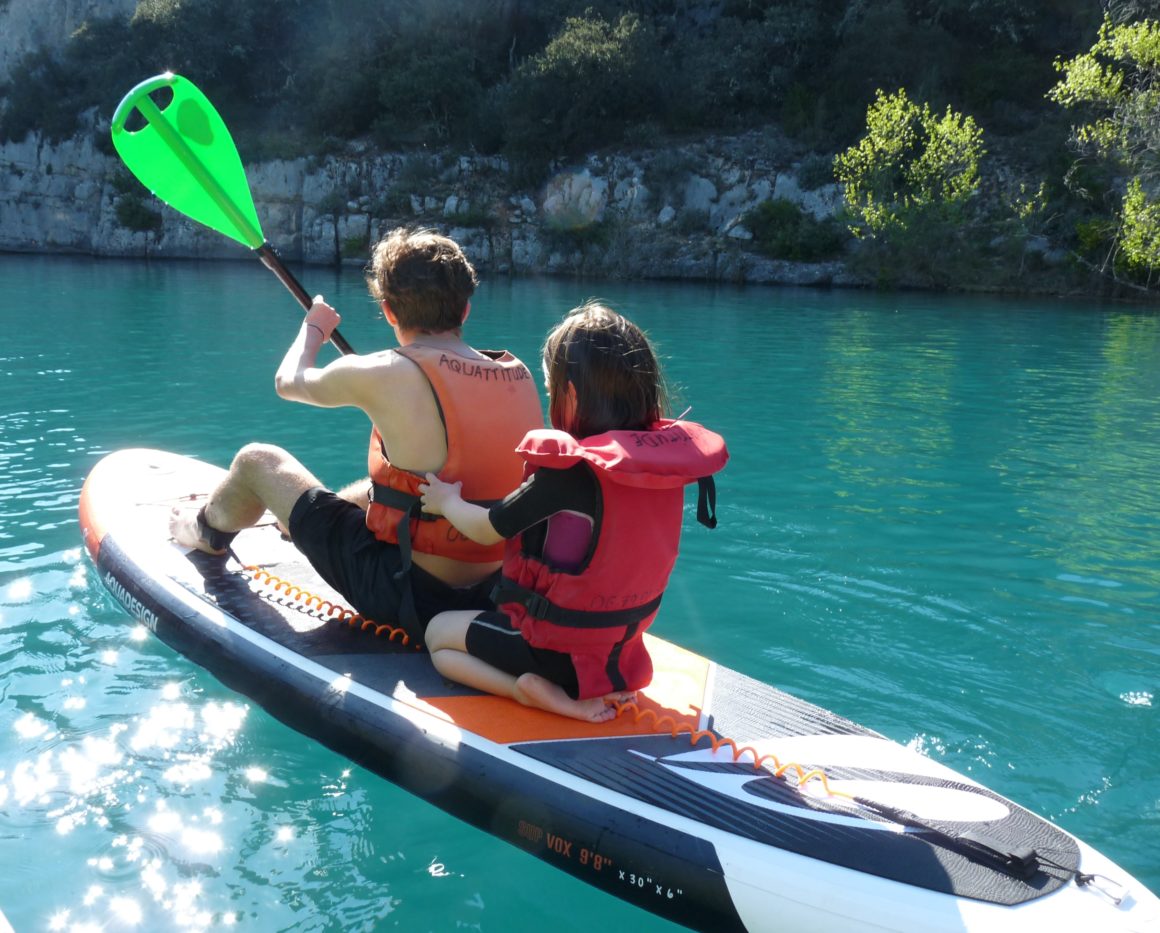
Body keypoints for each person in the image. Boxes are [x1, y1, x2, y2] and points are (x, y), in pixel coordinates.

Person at [169, 228, 544, 640]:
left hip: (408, 594)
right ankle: (299, 526)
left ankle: (202, 531)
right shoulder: (517, 373)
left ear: (388, 310)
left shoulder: (382, 371)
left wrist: (313, 330)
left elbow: (288, 380)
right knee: (403, 483)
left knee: (257, 461)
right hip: (495, 590)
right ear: (465, 310)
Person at [419, 301, 728, 722]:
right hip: (621, 656)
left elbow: (487, 529)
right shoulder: (663, 468)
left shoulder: (567, 474)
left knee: (438, 637)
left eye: (550, 391)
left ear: (570, 394)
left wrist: (446, 501)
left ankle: (525, 691)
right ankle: (578, 682)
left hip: (553, 657)